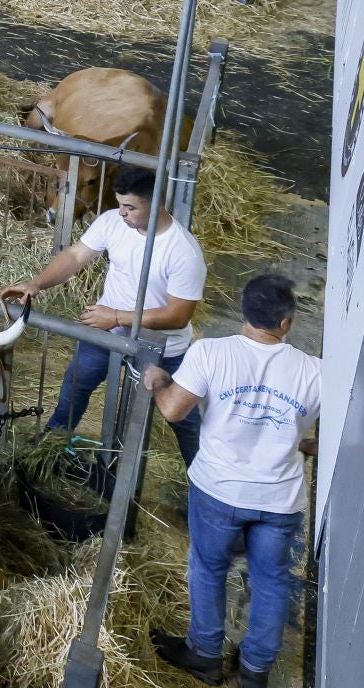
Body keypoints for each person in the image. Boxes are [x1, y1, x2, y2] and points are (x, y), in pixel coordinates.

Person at [142, 273, 320, 688]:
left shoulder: (210, 353)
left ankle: (205, 654)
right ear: (286, 322)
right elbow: (342, 434)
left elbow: (173, 411)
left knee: (208, 567)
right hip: (280, 499)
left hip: (218, 491)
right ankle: (255, 673)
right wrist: (306, 444)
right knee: (272, 581)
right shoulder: (315, 372)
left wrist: (157, 383)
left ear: (242, 312)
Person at [0, 164, 206, 468]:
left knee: (181, 416)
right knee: (76, 383)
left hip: (161, 346)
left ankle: (202, 475)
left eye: (130, 207)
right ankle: (50, 449)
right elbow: (75, 256)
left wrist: (118, 317)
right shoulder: (112, 222)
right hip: (108, 331)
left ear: (158, 203)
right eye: (120, 204)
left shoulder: (183, 252)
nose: (121, 213)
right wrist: (37, 283)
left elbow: (178, 315)